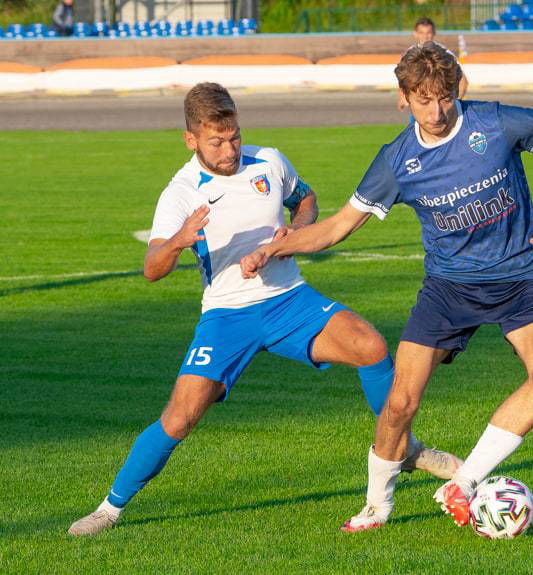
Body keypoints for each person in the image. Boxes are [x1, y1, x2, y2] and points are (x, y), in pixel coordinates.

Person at [240, 42, 533, 531]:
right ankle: (377, 507)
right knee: (398, 405)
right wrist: (273, 249)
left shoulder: (496, 123)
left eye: (444, 97)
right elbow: (337, 227)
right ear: (403, 99)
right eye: (423, 100)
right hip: (449, 289)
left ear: (457, 89)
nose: (436, 112)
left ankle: (464, 482)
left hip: (521, 277)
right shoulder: (396, 161)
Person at [67, 82, 460, 536]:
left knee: (369, 346)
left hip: (290, 300)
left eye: (234, 136)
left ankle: (402, 448)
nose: (229, 149)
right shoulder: (180, 193)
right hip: (227, 316)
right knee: (180, 416)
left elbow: (306, 199)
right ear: (191, 138)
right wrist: (177, 241)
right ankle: (109, 509)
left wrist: (293, 234)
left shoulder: (268, 160)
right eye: (216, 141)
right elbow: (152, 268)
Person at [397, 17, 468, 112]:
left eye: (428, 33)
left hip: (437, 109)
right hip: (418, 107)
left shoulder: (444, 54)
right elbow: (404, 79)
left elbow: (463, 81)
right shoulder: (409, 53)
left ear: (434, 33)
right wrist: (402, 98)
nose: (425, 36)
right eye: (421, 33)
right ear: (415, 34)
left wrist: (454, 103)